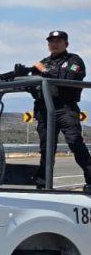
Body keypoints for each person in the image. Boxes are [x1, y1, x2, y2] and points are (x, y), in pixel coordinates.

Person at [24, 30, 91, 192]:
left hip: (65, 108)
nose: (54, 44)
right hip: (45, 110)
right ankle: (43, 185)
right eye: (51, 41)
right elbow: (32, 84)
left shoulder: (74, 61)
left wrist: (44, 71)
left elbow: (68, 79)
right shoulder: (43, 62)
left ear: (66, 44)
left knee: (75, 142)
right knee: (46, 148)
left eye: (58, 41)